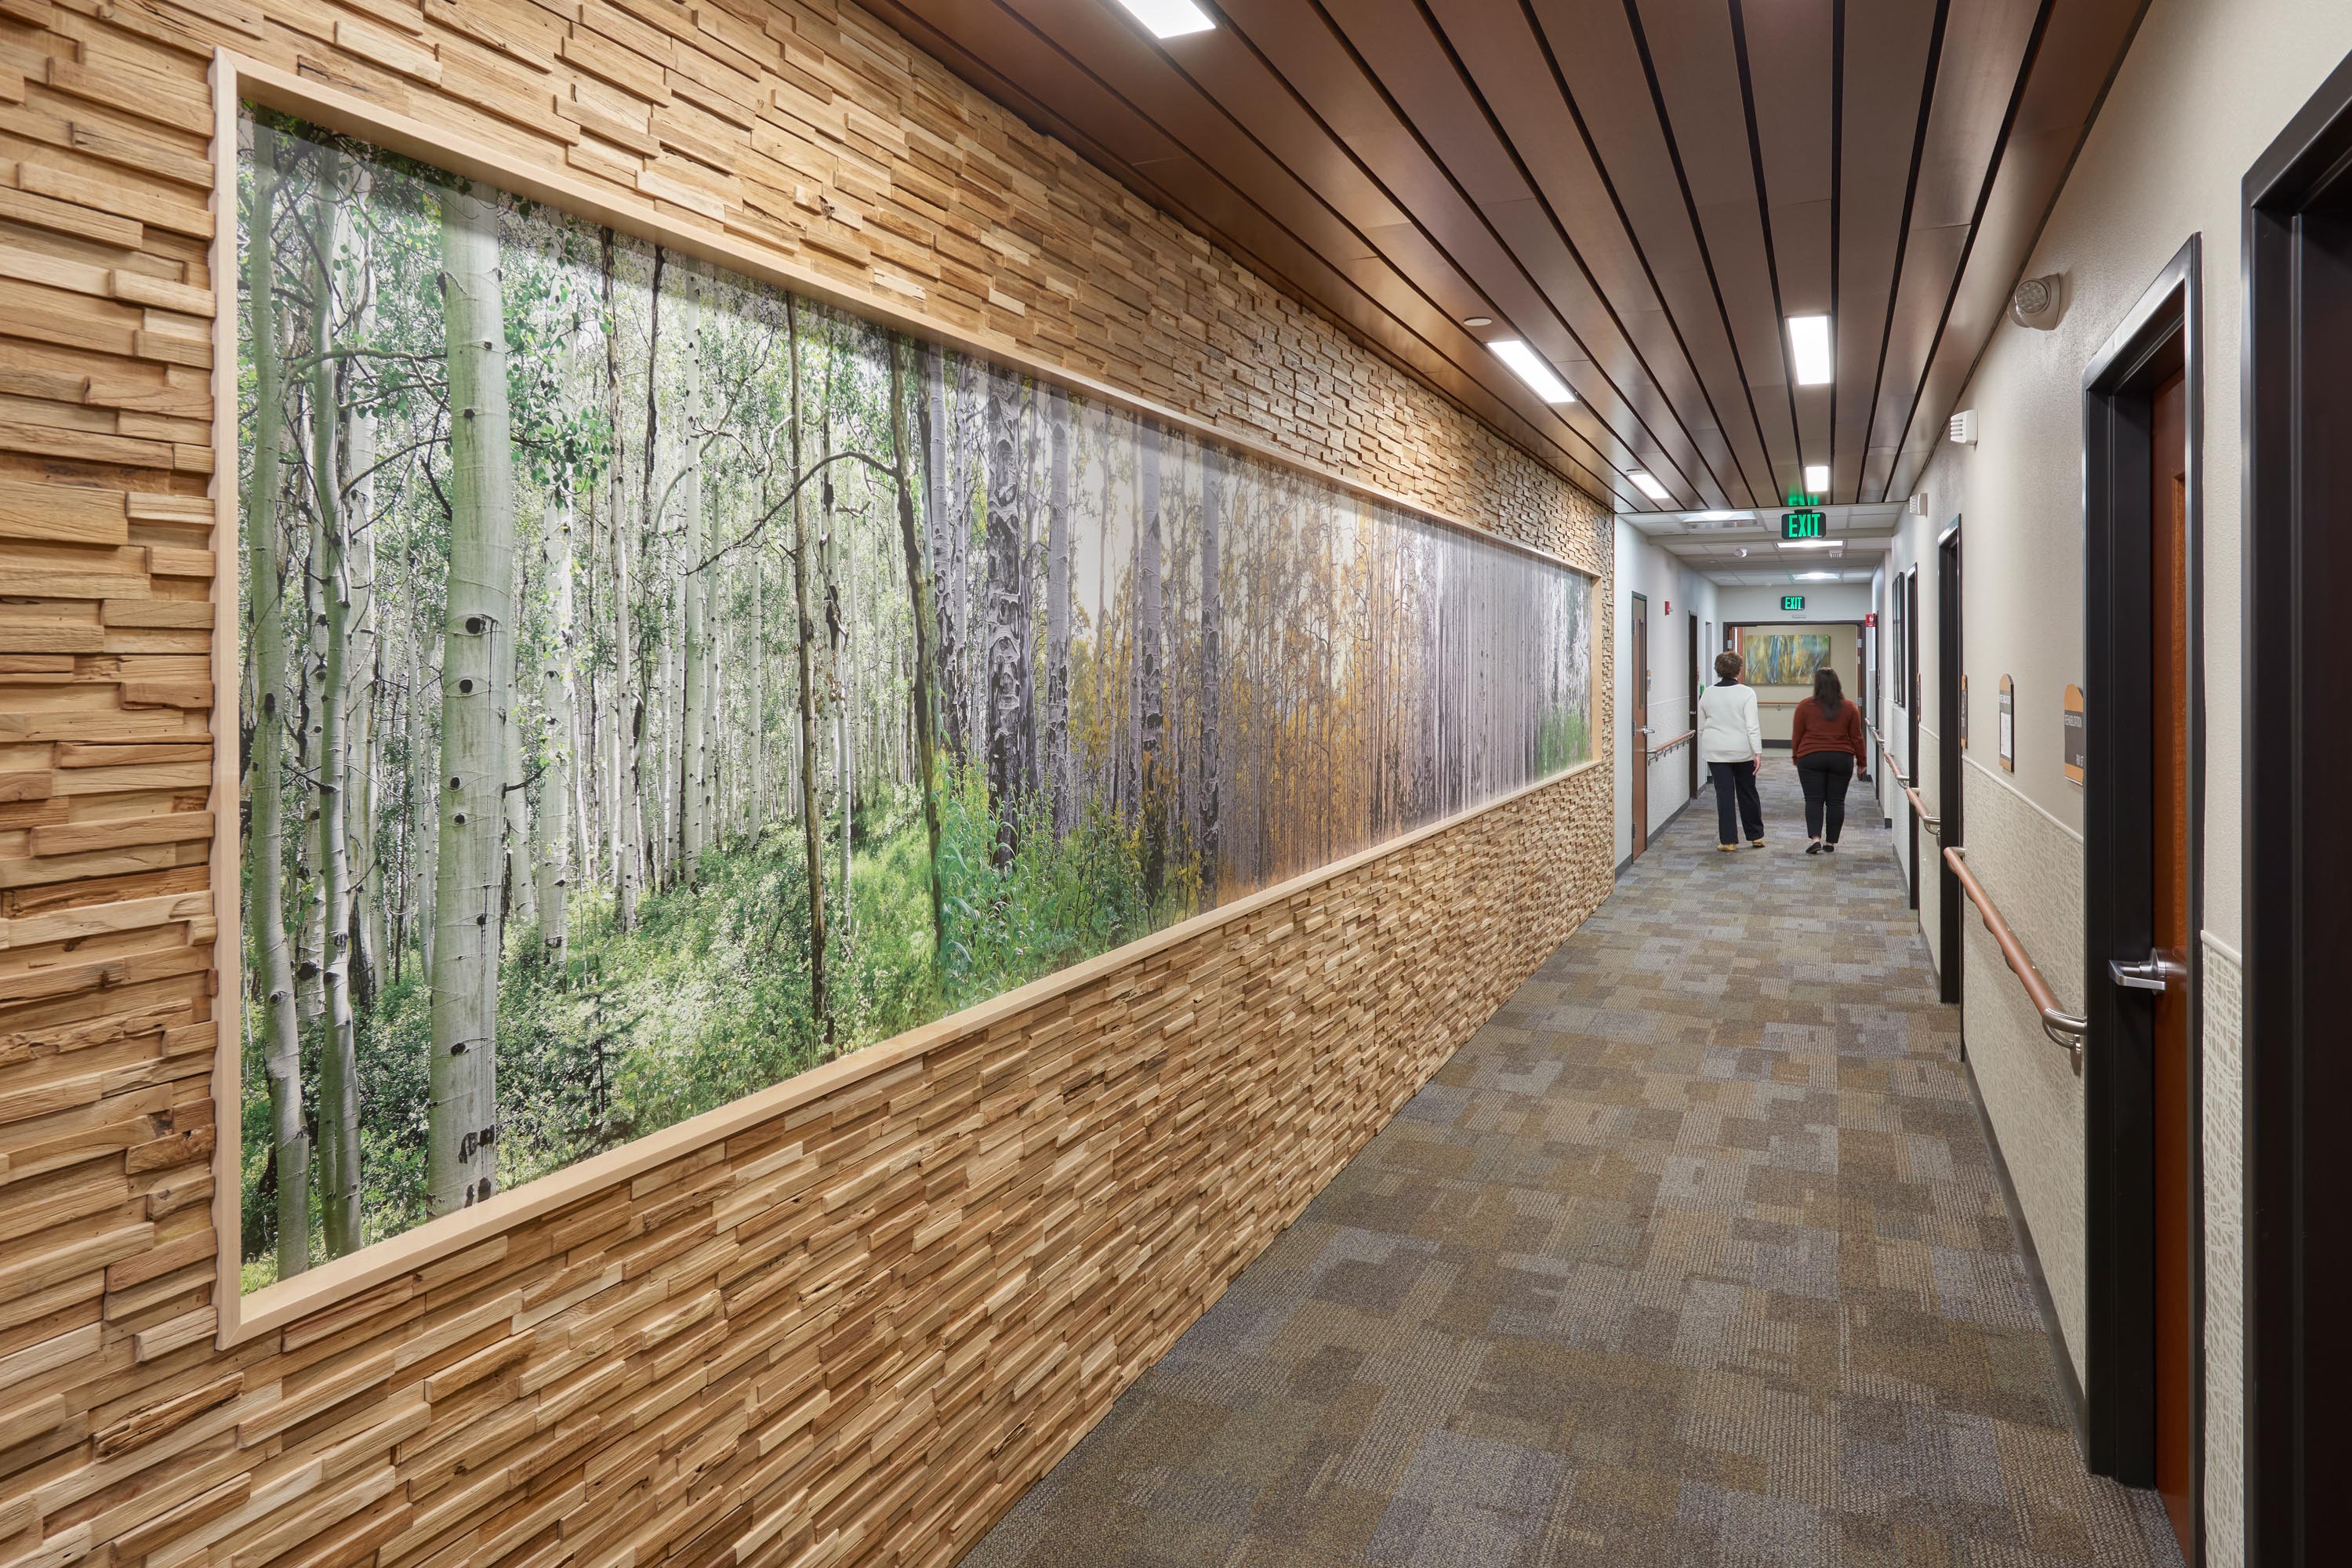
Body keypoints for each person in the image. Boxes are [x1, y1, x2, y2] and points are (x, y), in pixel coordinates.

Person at [1791, 666, 1869, 854]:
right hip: (1841, 758)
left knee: (1813, 799)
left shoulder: (1804, 706)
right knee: (1836, 801)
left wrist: (1796, 756)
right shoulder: (1850, 707)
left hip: (1810, 757)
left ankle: (1816, 839)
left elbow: (1797, 735)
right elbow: (1857, 737)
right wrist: (1862, 761)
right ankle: (1831, 842)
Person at [1697, 650, 1765, 851]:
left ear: (1718, 670)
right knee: (1748, 791)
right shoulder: (1746, 693)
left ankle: (1728, 841)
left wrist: (1711, 742)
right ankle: (1756, 836)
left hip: (1716, 751)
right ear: (1739, 670)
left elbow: (1701, 725)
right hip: (1742, 750)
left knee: (1724, 794)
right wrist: (1757, 752)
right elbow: (1752, 726)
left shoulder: (1708, 693)